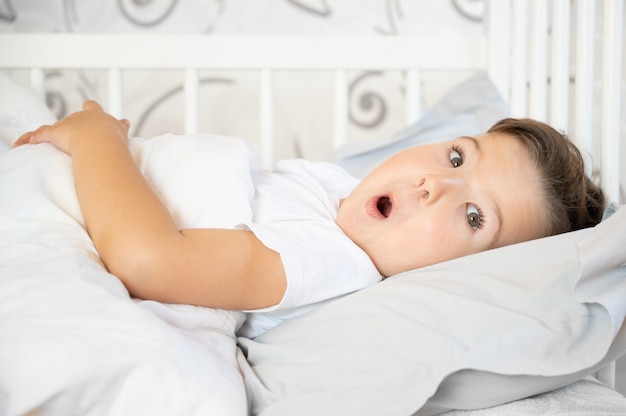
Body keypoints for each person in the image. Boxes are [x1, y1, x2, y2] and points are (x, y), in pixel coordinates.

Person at [14, 100, 605, 337]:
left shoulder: (330, 262)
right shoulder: (339, 198)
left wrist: (97, 142)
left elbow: (150, 260)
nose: (436, 184)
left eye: (475, 216)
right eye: (456, 156)